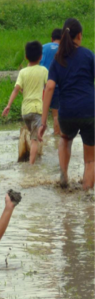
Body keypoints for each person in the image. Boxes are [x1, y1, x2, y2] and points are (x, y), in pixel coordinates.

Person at [39, 18, 94, 190]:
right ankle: (86, 193)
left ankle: (63, 175)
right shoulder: (88, 55)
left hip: (67, 111)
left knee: (64, 139)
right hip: (89, 110)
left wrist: (42, 121)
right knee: (91, 159)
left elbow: (49, 88)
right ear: (79, 35)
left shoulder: (58, 59)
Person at [2, 41, 48, 164]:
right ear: (41, 57)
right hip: (37, 109)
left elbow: (17, 89)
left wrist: (8, 105)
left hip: (25, 112)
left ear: (26, 57)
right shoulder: (43, 70)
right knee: (35, 140)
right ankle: (31, 166)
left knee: (33, 134)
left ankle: (31, 151)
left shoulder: (23, 72)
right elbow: (48, 87)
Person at [40, 28, 62, 135]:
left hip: (43, 87)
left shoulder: (43, 48)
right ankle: (57, 138)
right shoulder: (64, 49)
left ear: (51, 38)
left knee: (40, 114)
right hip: (58, 87)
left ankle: (41, 138)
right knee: (56, 115)